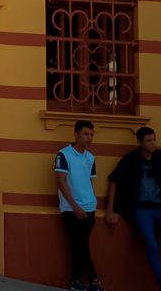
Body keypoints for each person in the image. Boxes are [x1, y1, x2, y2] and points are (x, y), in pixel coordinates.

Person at [107, 125, 161, 285]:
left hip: (159, 207)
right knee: (151, 242)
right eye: (148, 141)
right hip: (142, 209)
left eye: (154, 140)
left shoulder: (160, 158)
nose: (153, 144)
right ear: (140, 142)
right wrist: (110, 210)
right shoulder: (130, 159)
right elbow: (113, 180)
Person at [58, 120, 103, 291]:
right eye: (86, 134)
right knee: (82, 245)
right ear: (76, 134)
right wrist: (76, 207)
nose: (89, 137)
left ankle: (76, 282)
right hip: (72, 210)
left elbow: (89, 182)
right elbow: (61, 182)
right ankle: (93, 280)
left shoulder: (90, 158)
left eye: (91, 134)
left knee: (79, 245)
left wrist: (92, 203)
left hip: (89, 208)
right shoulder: (63, 155)